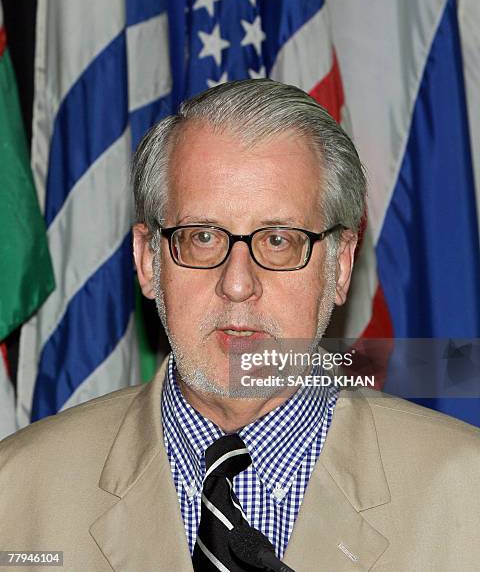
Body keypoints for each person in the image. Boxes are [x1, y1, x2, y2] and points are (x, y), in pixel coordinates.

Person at [1, 79, 479, 571]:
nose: (236, 284)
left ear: (339, 267)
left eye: (278, 240)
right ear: (147, 261)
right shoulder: (16, 493)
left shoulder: (467, 496)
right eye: (202, 236)